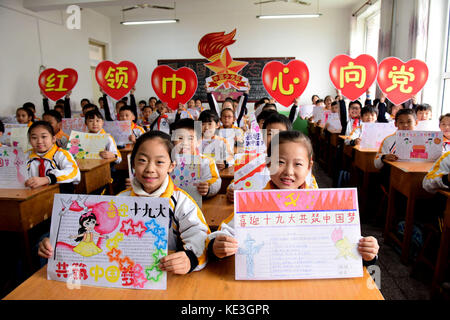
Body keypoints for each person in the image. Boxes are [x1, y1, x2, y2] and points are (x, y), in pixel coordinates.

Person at [208, 130, 379, 264]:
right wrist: (217, 245)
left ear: (309, 167)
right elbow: (223, 232)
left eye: (298, 164)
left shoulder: (323, 204)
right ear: (268, 163)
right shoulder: (253, 202)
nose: (288, 172)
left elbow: (346, 241)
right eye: (280, 162)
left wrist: (366, 250)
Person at [24, 121, 80, 193]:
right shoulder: (25, 156)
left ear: (53, 139)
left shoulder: (62, 154)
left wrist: (48, 179)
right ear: (29, 141)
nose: (39, 141)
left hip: (58, 195)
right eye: (34, 138)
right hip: (31, 195)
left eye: (44, 137)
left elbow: (74, 172)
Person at [172, 118, 222, 198]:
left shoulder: (206, 161)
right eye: (180, 138)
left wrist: (208, 188)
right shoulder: (167, 161)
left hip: (197, 204)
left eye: (190, 138)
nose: (185, 143)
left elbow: (215, 180)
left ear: (198, 141)